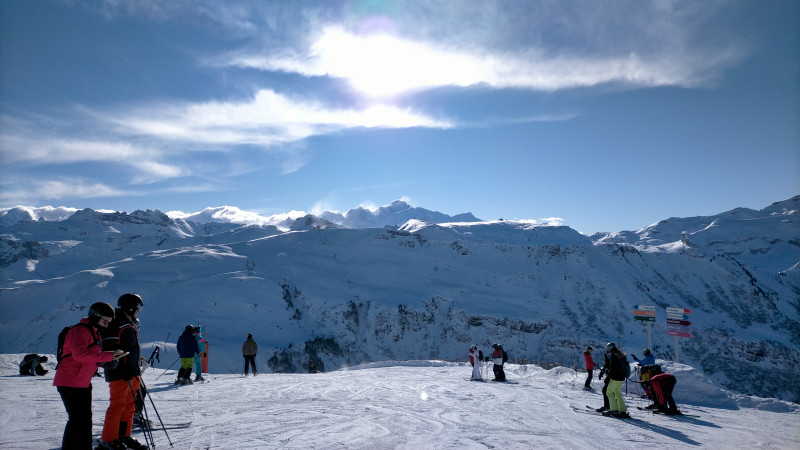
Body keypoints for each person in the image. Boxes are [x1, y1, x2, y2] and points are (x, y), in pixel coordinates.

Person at [53, 302, 123, 450]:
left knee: (84, 419)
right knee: (77, 419)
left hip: (82, 382)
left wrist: (103, 362)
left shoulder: (94, 332)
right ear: (95, 316)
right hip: (69, 382)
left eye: (108, 322)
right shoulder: (79, 331)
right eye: (105, 321)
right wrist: (108, 356)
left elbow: (90, 357)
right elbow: (80, 355)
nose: (106, 325)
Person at [99, 293, 147, 450]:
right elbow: (110, 350)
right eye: (138, 307)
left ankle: (123, 436)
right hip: (120, 374)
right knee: (117, 406)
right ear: (130, 307)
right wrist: (121, 368)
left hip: (132, 372)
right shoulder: (116, 323)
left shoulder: (130, 323)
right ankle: (109, 440)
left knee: (130, 405)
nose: (139, 311)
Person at [602, 342, 630, 418]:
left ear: (610, 348)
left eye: (608, 349)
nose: (607, 351)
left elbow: (613, 368)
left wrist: (609, 377)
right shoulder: (620, 355)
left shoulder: (614, 355)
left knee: (609, 392)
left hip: (615, 377)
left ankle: (613, 410)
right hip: (622, 378)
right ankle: (622, 410)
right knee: (617, 393)